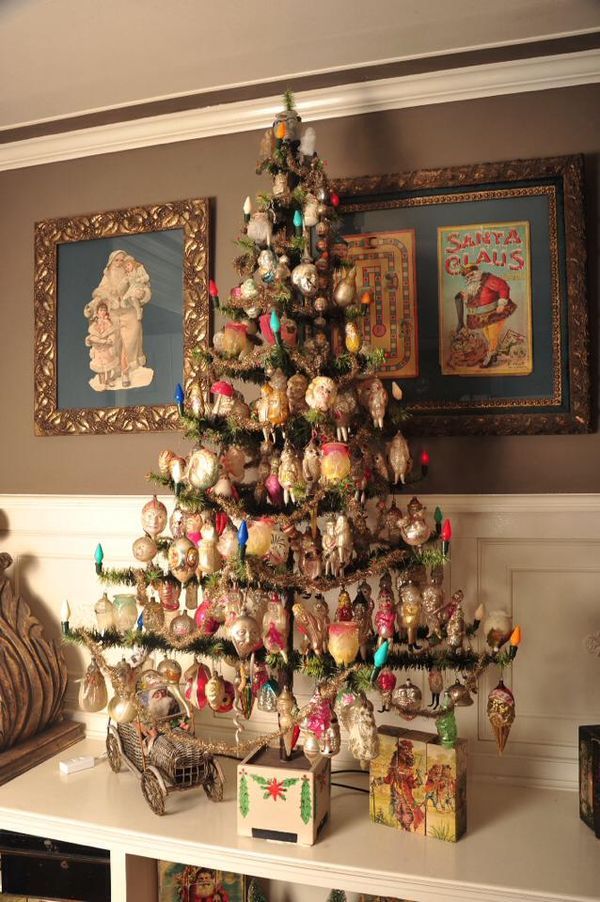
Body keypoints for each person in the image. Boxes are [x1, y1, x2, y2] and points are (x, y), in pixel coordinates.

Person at [454, 263, 516, 367]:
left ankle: (490, 356)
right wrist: (467, 297)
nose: (470, 278)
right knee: (487, 334)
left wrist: (501, 303)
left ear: (476, 272)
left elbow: (504, 287)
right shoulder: (473, 285)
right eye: (467, 277)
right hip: (483, 316)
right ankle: (494, 353)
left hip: (496, 313)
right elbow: (479, 299)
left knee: (492, 335)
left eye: (471, 275)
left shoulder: (489, 280)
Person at [84, 300, 119, 390]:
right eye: (101, 310)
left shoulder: (109, 322)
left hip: (106, 348)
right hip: (98, 348)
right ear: (97, 311)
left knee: (109, 364)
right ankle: (102, 382)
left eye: (104, 310)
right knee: (100, 367)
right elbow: (92, 334)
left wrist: (110, 340)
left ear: (106, 311)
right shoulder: (95, 322)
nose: (102, 312)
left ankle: (108, 380)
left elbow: (112, 333)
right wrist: (92, 340)